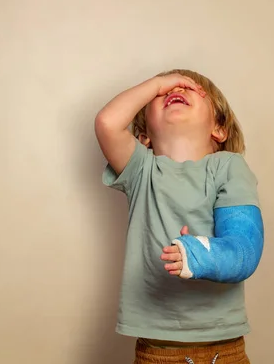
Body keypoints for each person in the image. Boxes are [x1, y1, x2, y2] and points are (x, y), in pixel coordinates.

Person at [94, 69, 264, 363]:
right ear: (144, 137)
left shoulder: (229, 168)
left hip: (222, 348)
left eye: (193, 89)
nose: (176, 90)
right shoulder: (141, 170)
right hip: (156, 349)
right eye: (162, 94)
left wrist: (201, 254)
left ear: (219, 128)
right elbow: (108, 123)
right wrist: (157, 84)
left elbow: (245, 249)